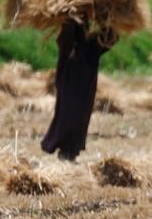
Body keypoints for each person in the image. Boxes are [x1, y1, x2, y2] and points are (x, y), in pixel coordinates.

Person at [41, 20, 118, 161]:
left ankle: (70, 150)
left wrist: (109, 19)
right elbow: (65, 36)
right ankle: (66, 149)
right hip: (71, 85)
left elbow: (110, 38)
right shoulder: (71, 44)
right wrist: (73, 18)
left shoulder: (90, 45)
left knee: (77, 118)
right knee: (69, 116)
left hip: (81, 87)